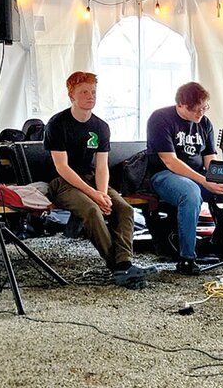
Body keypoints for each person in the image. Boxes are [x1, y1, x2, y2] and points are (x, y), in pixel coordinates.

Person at [46, 71, 154, 288]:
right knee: (92, 210)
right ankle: (118, 267)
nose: (90, 96)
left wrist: (102, 193)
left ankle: (124, 262)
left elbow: (102, 165)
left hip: (91, 178)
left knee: (124, 209)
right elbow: (62, 167)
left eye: (93, 91)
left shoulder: (101, 126)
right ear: (71, 96)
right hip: (63, 182)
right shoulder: (58, 124)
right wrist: (94, 195)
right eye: (84, 92)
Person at [147, 82, 223, 276]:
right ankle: (187, 257)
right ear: (180, 104)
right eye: (196, 110)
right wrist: (204, 181)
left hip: (198, 176)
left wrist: (220, 174)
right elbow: (170, 161)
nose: (201, 114)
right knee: (191, 193)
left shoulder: (204, 123)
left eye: (204, 108)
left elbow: (209, 160)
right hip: (164, 175)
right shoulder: (160, 118)